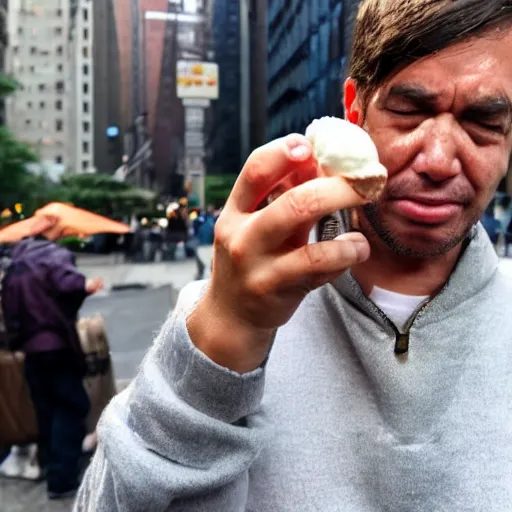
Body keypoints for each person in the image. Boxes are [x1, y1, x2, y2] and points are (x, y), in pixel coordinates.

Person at [76, 1, 512, 510]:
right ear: (355, 110)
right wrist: (223, 339)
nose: (438, 160)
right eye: (410, 111)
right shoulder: (229, 307)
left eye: (483, 121)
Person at [2, 221, 103, 500]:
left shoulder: (15, 267)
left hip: (31, 351)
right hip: (56, 346)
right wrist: (85, 285)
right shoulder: (52, 256)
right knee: (70, 406)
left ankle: (51, 466)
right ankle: (62, 479)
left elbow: (10, 315)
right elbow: (67, 283)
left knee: (46, 409)